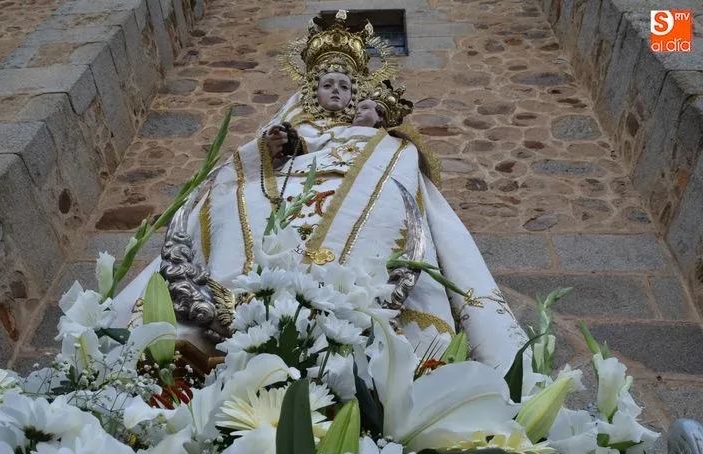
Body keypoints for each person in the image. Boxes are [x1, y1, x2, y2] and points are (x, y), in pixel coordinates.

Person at [112, 12, 528, 374]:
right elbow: (243, 171)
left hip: (353, 210)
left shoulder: (381, 137)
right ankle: (231, 303)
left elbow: (408, 169)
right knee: (238, 201)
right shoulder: (292, 129)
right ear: (312, 89)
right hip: (286, 207)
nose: (336, 91)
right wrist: (272, 149)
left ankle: (357, 310)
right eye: (327, 83)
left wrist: (382, 134)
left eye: (345, 86)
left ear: (355, 93)